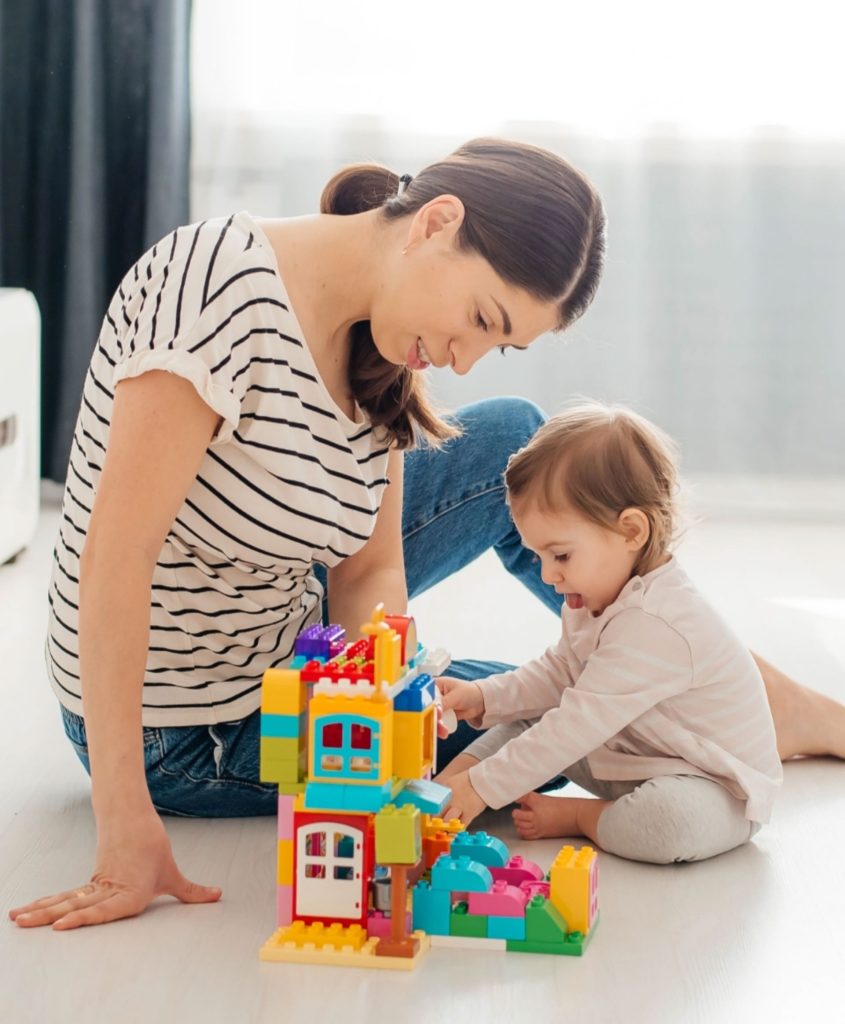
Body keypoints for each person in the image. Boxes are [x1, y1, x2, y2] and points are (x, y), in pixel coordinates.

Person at [8, 138, 842, 930]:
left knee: (517, 454)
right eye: (480, 318)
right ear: (436, 223)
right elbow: (111, 558)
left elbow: (370, 566)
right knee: (575, 717)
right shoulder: (216, 291)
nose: (465, 359)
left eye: (497, 344)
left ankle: (724, 678)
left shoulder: (384, 345)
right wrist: (125, 819)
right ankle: (740, 699)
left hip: (289, 610)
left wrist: (392, 703)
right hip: (190, 721)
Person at [434, 402, 782, 863]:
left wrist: (489, 787)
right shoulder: (593, 594)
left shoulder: (658, 624)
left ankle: (583, 817)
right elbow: (560, 671)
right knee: (531, 715)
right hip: (633, 752)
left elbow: (576, 726)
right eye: (538, 556)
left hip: (710, 787)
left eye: (560, 556)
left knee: (669, 823)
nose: (547, 575)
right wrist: (484, 696)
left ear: (631, 531)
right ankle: (442, 797)